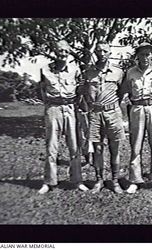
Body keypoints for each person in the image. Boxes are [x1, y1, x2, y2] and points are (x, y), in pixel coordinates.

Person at [38, 40, 89, 194]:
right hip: (53, 108)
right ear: (54, 51)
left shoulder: (75, 70)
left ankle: (77, 180)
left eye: (66, 51)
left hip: (70, 108)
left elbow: (80, 92)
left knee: (74, 145)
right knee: (52, 146)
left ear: (69, 52)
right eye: (60, 51)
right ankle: (49, 182)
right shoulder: (45, 69)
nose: (63, 54)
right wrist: (49, 105)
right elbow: (41, 90)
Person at [119, 42, 152, 194]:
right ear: (137, 56)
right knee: (136, 145)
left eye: (148, 54)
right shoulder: (130, 72)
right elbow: (124, 92)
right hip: (137, 109)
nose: (145, 57)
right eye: (142, 54)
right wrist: (127, 102)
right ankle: (135, 180)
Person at [80, 41, 125, 194]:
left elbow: (121, 93)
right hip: (95, 114)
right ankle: (99, 180)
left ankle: (115, 181)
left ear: (110, 52)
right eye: (99, 50)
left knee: (115, 148)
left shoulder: (118, 72)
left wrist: (111, 105)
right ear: (95, 53)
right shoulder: (88, 73)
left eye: (105, 50)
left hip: (113, 113)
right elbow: (84, 93)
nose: (102, 53)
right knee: (98, 148)